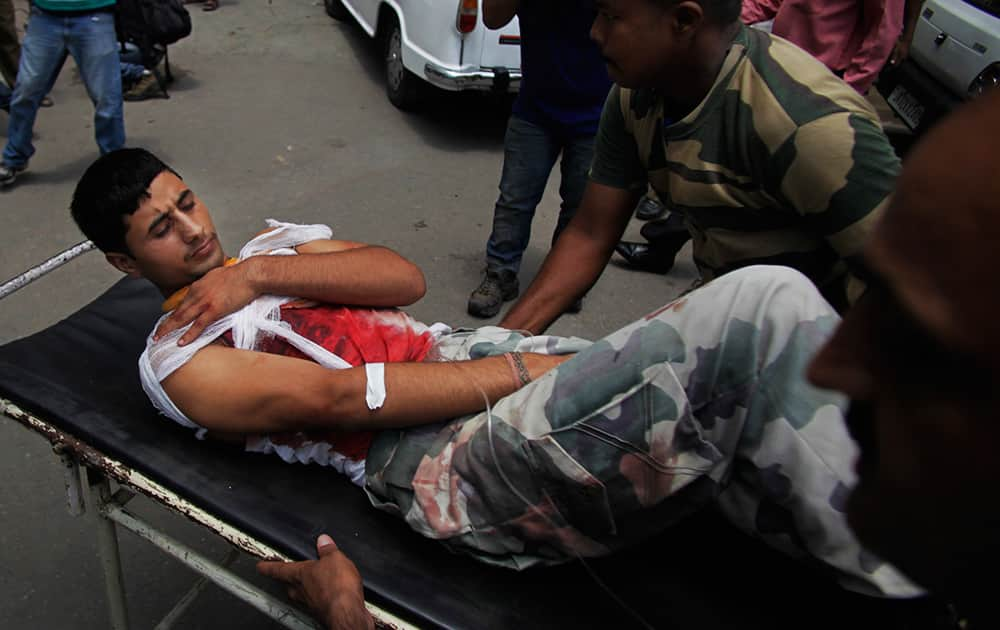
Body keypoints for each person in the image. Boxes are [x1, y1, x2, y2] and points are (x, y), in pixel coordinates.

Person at [259, 89, 1000, 630]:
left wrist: (347, 622)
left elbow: (391, 304)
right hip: (444, 430)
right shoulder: (634, 104)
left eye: (905, 331)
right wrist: (517, 358)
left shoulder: (800, 114)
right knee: (752, 329)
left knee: (757, 317)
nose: (835, 365)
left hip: (450, 426)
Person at [71, 148, 917, 606]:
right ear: (122, 259)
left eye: (186, 203)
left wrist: (260, 275)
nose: (190, 231)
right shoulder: (178, 363)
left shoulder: (264, 255)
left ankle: (875, 537)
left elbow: (400, 281)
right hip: (444, 464)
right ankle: (913, 581)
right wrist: (522, 367)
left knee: (754, 343)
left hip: (462, 360)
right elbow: (339, 398)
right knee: (758, 304)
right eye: (158, 228)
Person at [568, 0, 898, 314]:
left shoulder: (813, 128)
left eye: (611, 16)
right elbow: (590, 234)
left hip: (819, 351)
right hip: (735, 315)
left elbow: (918, 293)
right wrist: (515, 347)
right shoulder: (636, 95)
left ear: (685, 21)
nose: (595, 32)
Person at [466, 0, 612, 318]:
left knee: (579, 205)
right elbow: (492, 19)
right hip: (535, 110)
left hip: (597, 115)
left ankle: (566, 281)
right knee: (515, 200)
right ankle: (499, 274)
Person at [0, 0, 125, 188]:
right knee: (24, 92)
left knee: (107, 100)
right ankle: (14, 157)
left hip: (95, 15)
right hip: (45, 16)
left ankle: (114, 164)